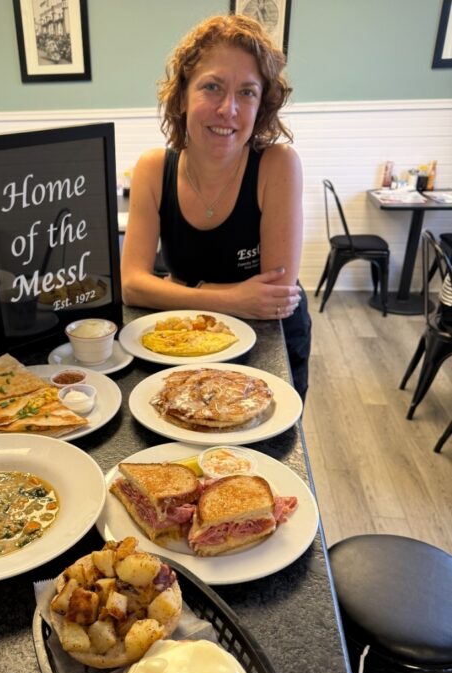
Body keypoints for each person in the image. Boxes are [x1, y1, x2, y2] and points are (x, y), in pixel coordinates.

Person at [120, 14, 311, 398]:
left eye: (247, 92)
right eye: (212, 87)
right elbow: (132, 286)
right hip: (183, 343)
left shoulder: (278, 165)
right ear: (182, 96)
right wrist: (232, 298)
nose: (229, 109)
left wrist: (180, 288)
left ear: (262, 104)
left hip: (268, 346)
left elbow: (274, 299)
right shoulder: (153, 169)